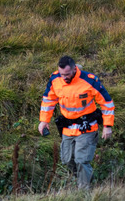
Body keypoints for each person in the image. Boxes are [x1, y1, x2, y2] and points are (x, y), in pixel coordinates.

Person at [37, 55, 115, 190]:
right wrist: (44, 121)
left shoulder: (89, 80)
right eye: (62, 74)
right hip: (67, 128)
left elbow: (107, 103)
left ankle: (83, 192)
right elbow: (48, 100)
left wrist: (107, 126)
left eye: (67, 74)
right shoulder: (55, 79)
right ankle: (85, 179)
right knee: (67, 160)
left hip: (87, 128)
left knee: (81, 160)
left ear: (74, 69)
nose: (64, 77)